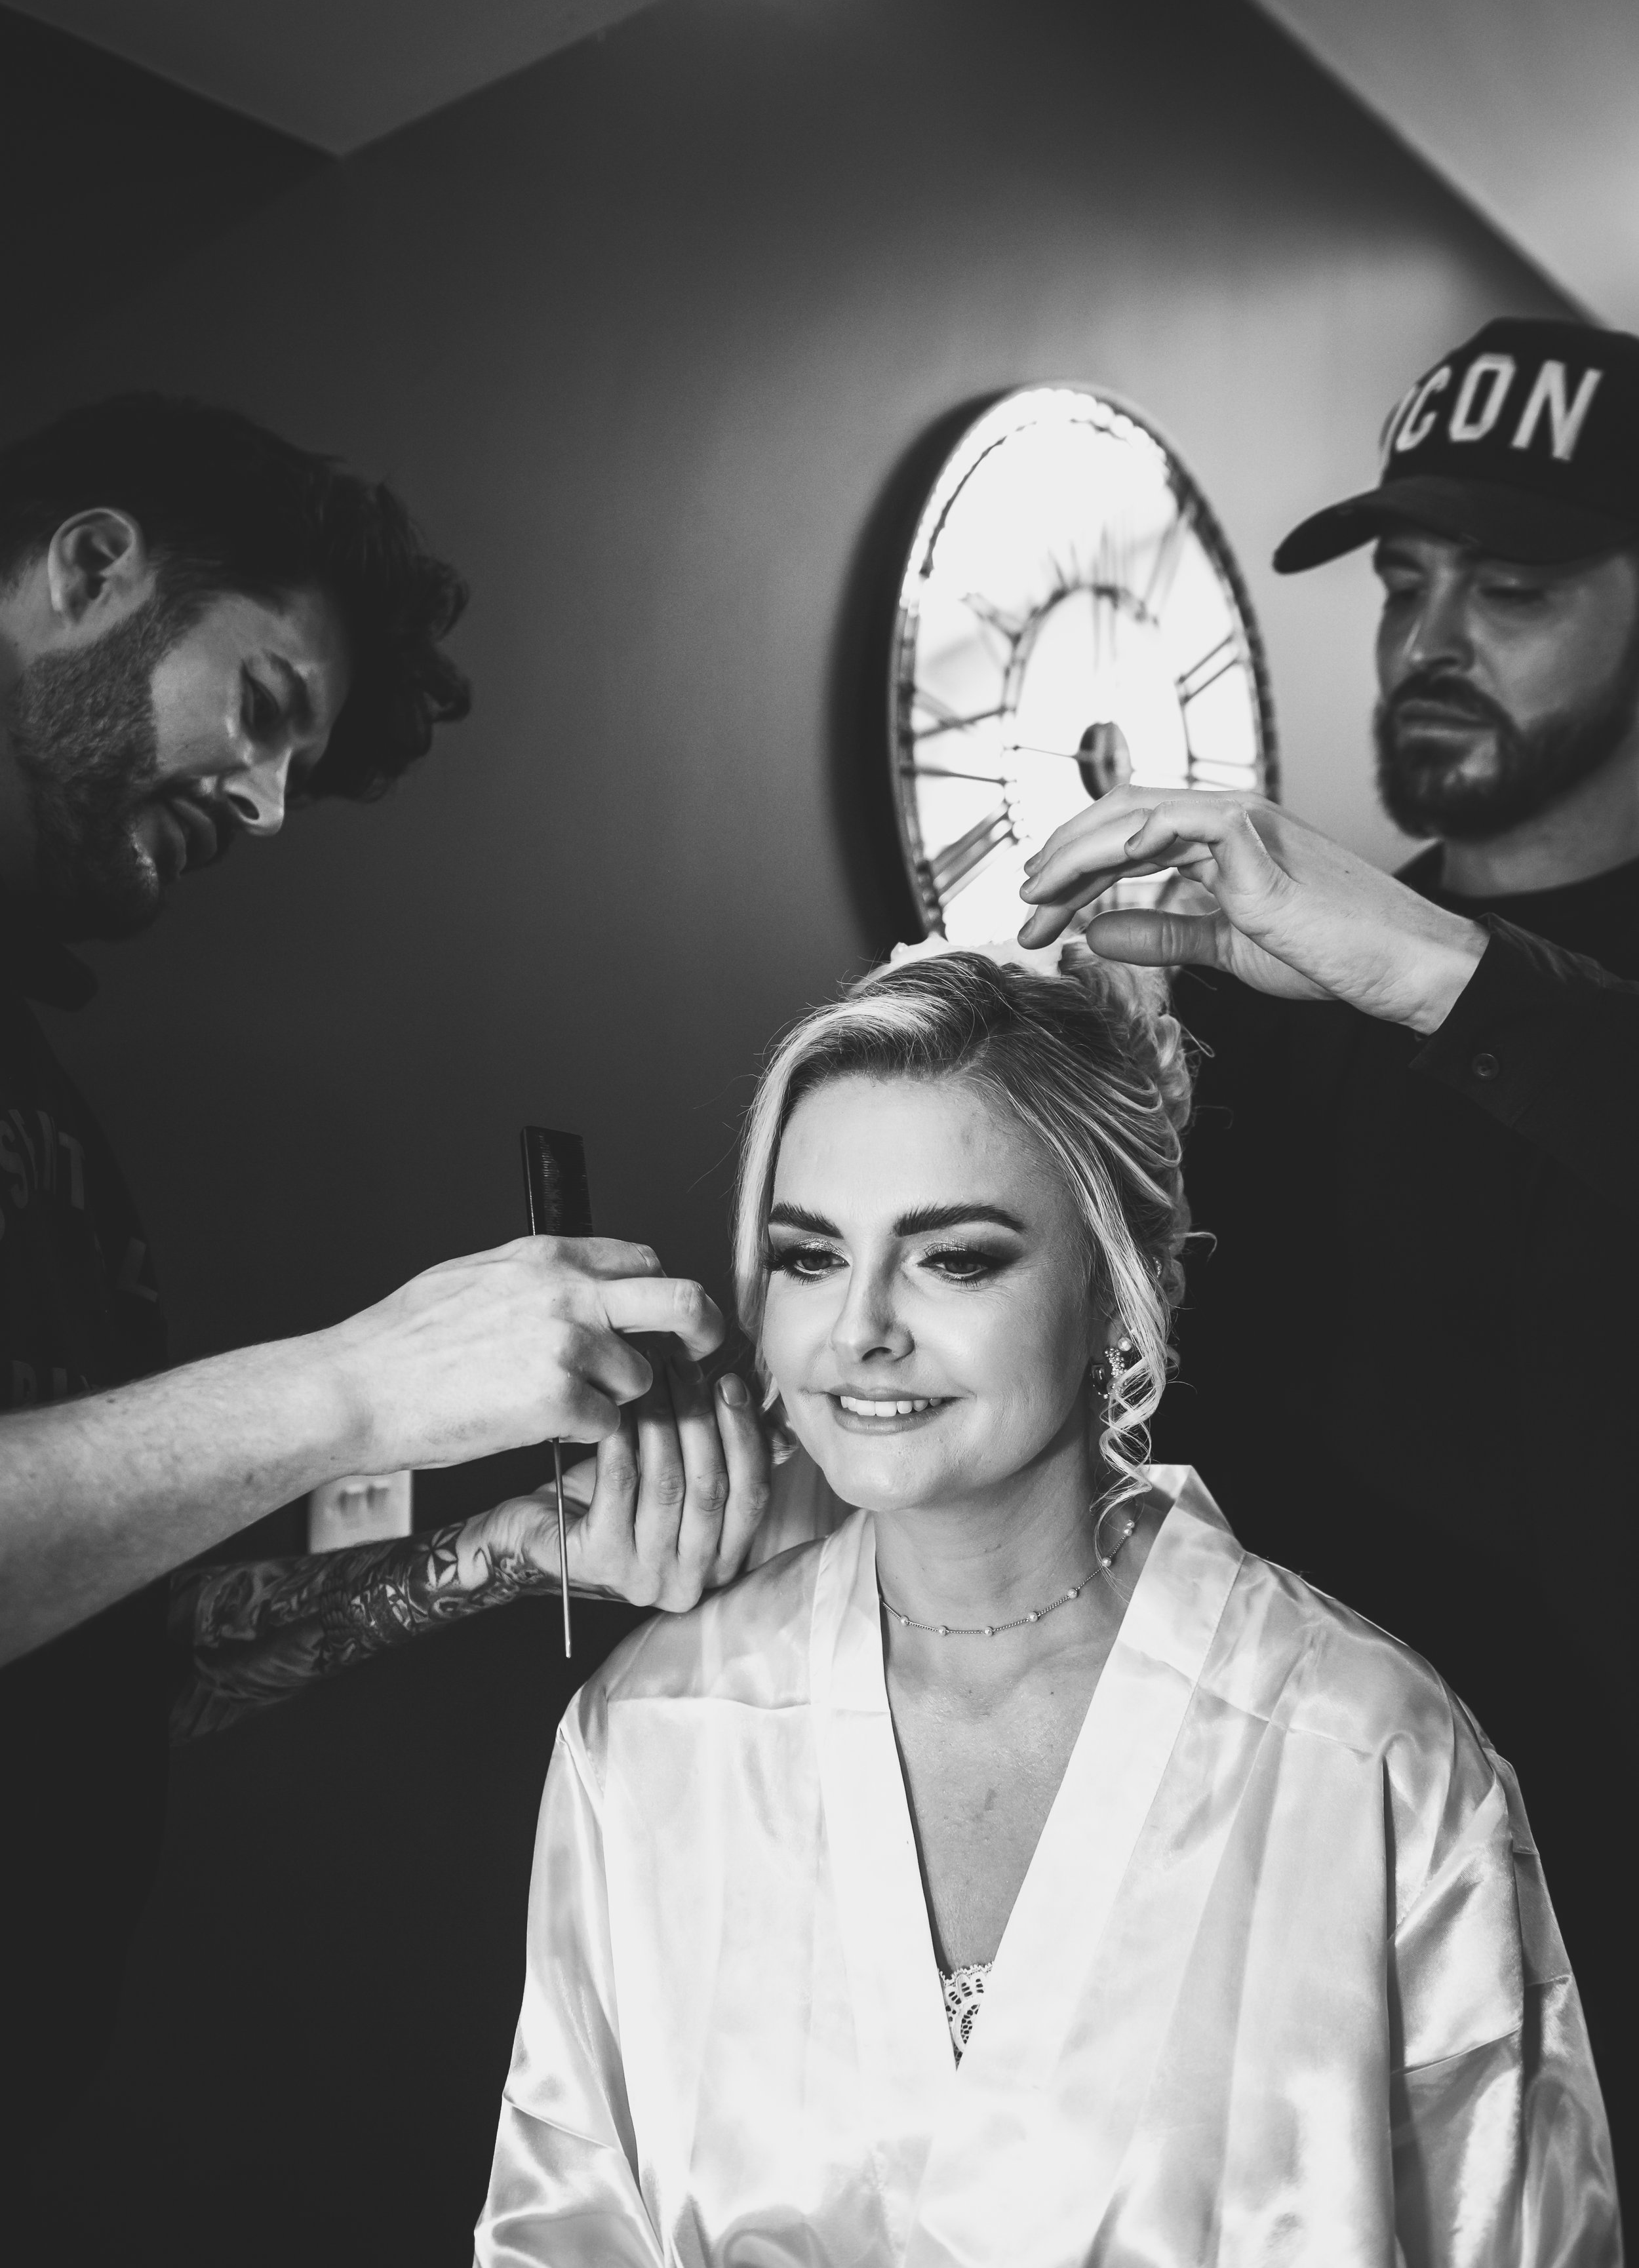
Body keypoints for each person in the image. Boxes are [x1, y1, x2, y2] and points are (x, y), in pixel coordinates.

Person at [473, 948, 1615, 2263]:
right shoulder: (650, 1739)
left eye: (953, 1260)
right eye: (806, 1258)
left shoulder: (1373, 1757)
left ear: (1112, 1292)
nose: (859, 1331)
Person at [0, 395, 765, 2199]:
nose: (268, 803)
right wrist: (358, 1382)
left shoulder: (58, 1131)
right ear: (91, 569)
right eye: (266, 709)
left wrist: (511, 1546)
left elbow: (117, 1646)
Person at [1014, 314, 1639, 2183]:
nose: (1430, 636)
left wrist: (1433, 976)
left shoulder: (1380, 960)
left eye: (1510, 584)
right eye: (1402, 580)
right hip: (1336, 1926)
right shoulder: (1274, 1002)